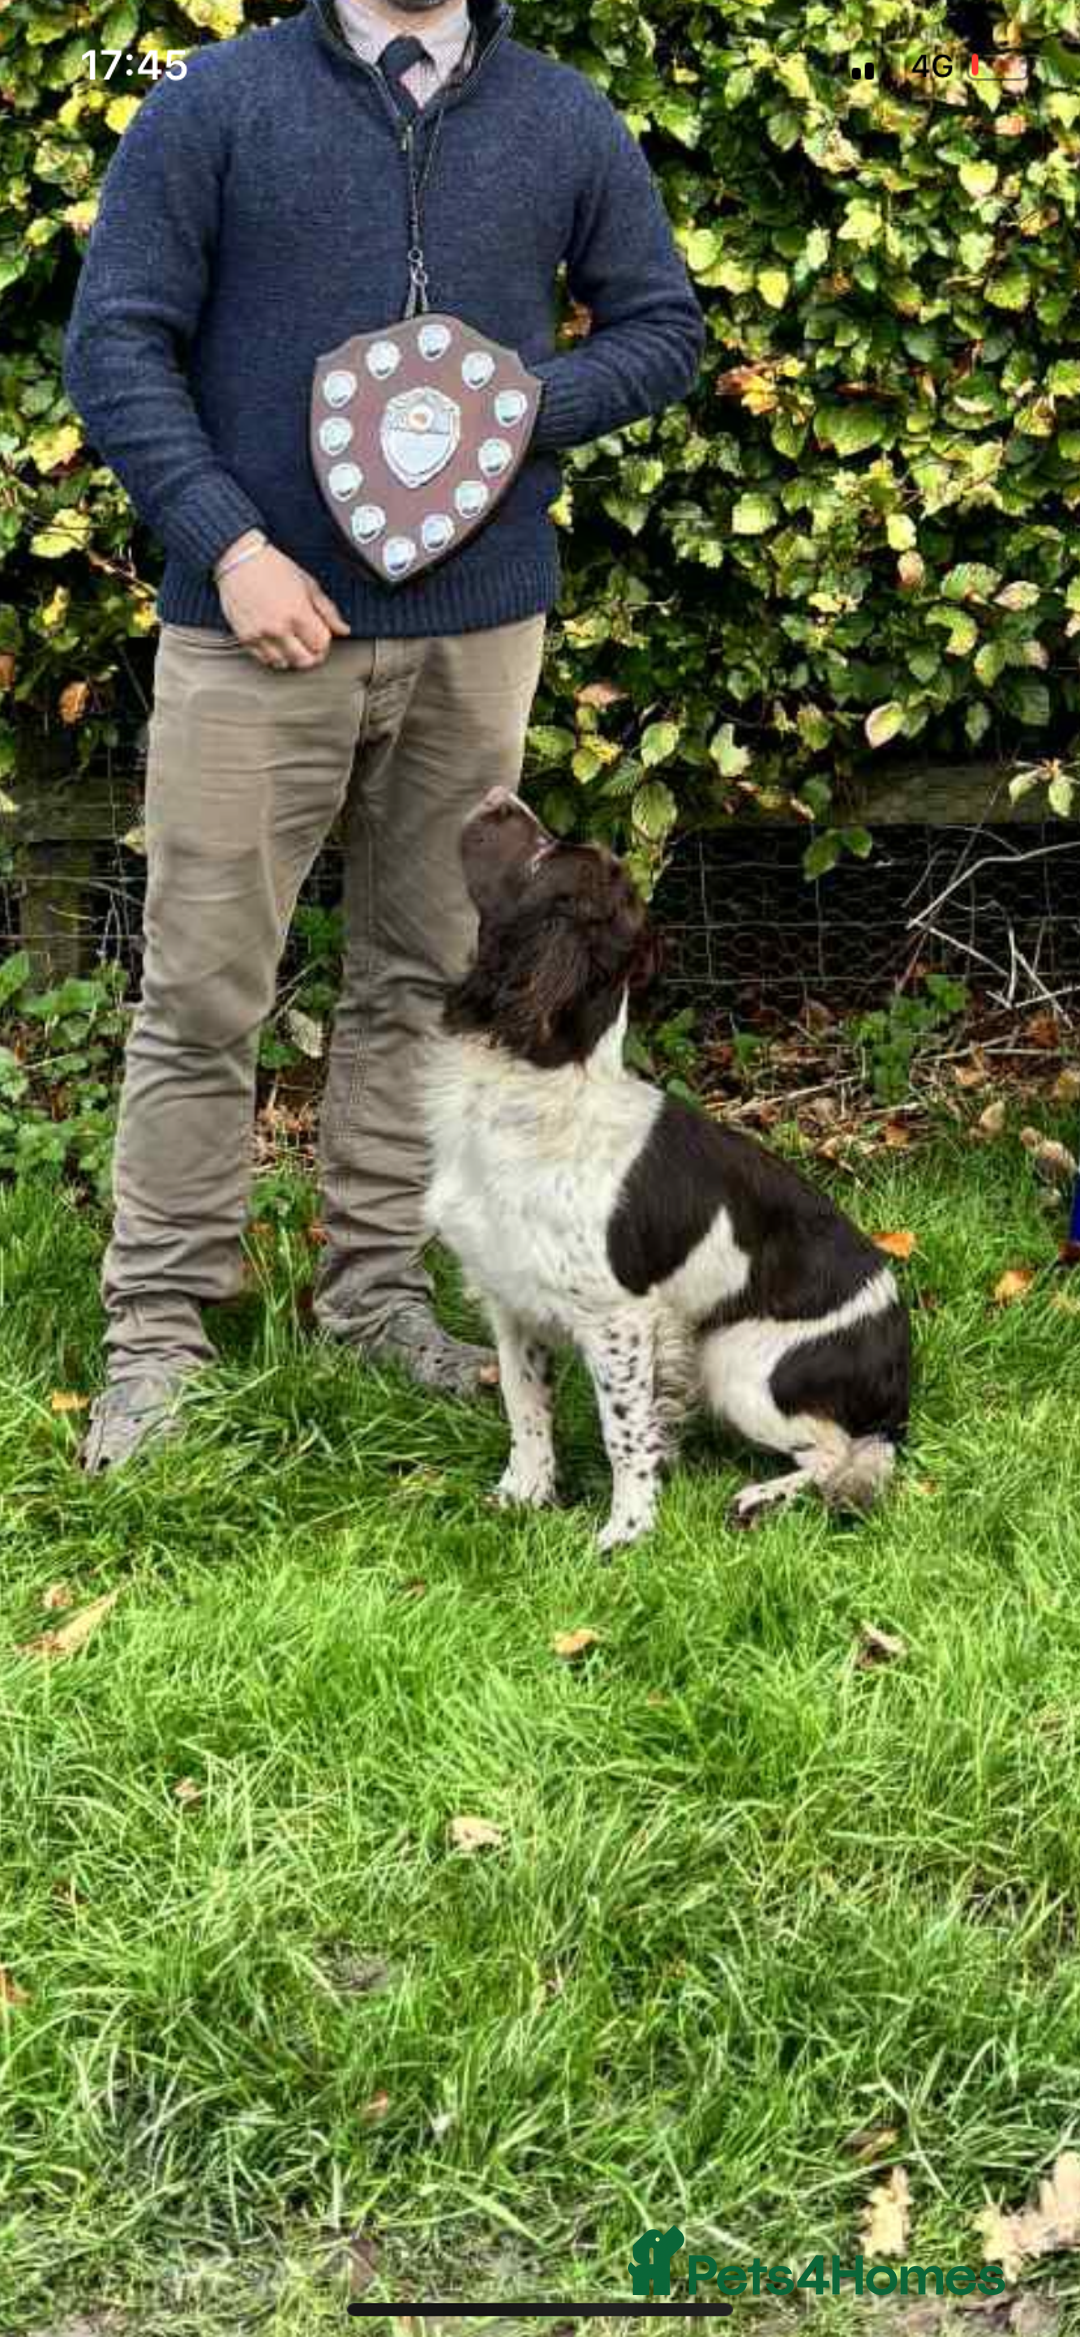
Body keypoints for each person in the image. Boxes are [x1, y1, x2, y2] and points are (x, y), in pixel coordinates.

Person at [62, 0, 705, 1473]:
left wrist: (516, 409)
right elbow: (116, 345)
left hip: (481, 628)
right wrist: (227, 545)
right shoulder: (212, 105)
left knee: (426, 979)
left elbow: (665, 328)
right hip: (253, 624)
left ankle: (376, 1296)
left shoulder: (563, 119)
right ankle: (158, 1336)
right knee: (205, 991)